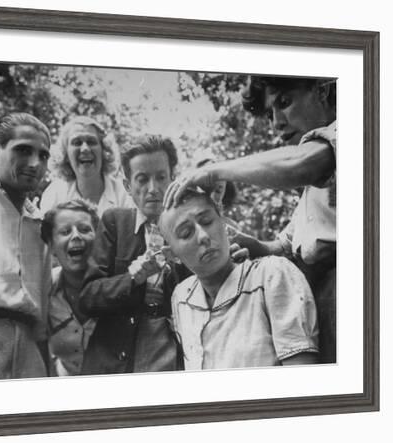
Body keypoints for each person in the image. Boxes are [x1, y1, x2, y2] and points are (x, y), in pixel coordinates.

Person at [164, 76, 337, 363]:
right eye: (270, 113)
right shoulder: (311, 194)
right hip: (322, 296)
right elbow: (283, 246)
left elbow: (298, 165)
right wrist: (249, 244)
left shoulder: (353, 131)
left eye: (284, 103)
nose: (276, 123)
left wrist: (214, 171)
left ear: (322, 90)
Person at [159, 189, 320, 370]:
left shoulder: (271, 275)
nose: (203, 236)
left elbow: (302, 378)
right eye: (187, 232)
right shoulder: (182, 297)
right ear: (172, 255)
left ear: (225, 224)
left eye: (207, 222)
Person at [79, 135, 190, 375]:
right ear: (128, 186)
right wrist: (132, 278)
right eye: (142, 179)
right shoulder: (115, 222)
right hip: (114, 354)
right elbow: (88, 297)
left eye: (161, 177)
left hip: (171, 350)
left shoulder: (190, 227)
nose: (153, 189)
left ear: (173, 178)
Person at [0, 112, 53, 380]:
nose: (34, 163)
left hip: (29, 347)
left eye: (43, 155)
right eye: (23, 150)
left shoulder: (41, 223)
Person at [41, 200, 99, 376]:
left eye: (84, 229)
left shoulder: (118, 284)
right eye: (65, 231)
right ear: (51, 246)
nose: (76, 236)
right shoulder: (44, 288)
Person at [40, 116, 132, 217]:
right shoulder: (55, 194)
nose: (85, 148)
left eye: (91, 142)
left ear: (104, 150)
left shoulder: (124, 194)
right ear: (65, 154)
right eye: (77, 143)